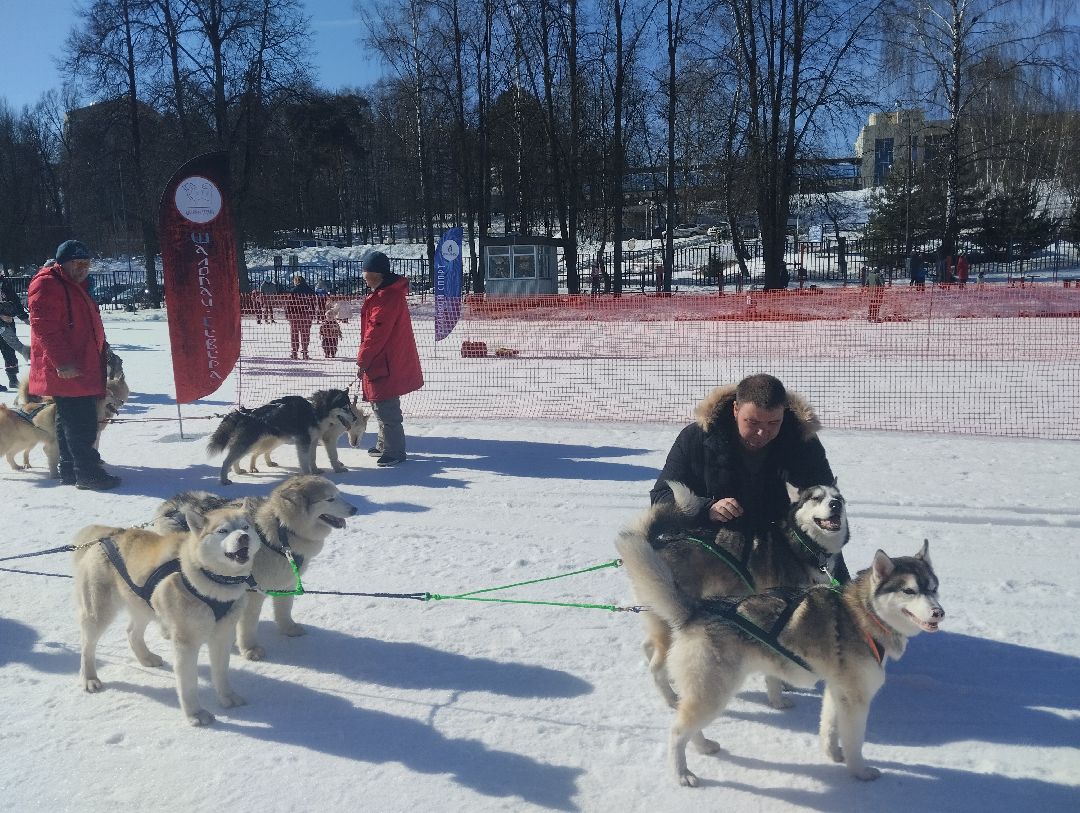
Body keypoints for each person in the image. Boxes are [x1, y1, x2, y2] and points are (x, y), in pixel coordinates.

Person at [650, 373, 849, 581]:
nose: (763, 432)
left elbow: (827, 505)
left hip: (782, 556)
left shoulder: (803, 442)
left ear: (785, 413)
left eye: (773, 423)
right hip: (714, 553)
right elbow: (660, 497)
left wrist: (839, 585)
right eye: (752, 422)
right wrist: (707, 508)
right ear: (735, 409)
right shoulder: (696, 438)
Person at [27, 240, 121, 490]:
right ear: (62, 263)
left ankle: (70, 468)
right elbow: (45, 328)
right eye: (77, 263)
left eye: (86, 264)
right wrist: (62, 362)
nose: (82, 269)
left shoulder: (73, 284)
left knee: (69, 418)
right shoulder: (47, 284)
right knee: (82, 422)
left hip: (80, 364)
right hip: (68, 367)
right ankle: (87, 473)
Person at [356, 250, 423, 467]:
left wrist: (363, 358)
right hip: (381, 359)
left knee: (387, 407)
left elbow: (376, 332)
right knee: (379, 404)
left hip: (385, 361)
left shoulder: (387, 297)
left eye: (366, 273)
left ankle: (395, 451)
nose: (364, 278)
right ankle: (385, 444)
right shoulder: (383, 293)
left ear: (377, 274)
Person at [0, 278, 29, 390]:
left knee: (9, 351)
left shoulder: (5, 283)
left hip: (8, 322)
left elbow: (15, 300)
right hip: (4, 319)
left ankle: (13, 379)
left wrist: (24, 317)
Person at [285, 273, 316, 359]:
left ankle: (294, 352)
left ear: (296, 281)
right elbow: (313, 304)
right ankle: (305, 352)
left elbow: (288, 303)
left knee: (294, 334)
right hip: (306, 314)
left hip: (294, 314)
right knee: (305, 334)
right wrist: (312, 313)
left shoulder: (293, 291)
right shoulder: (310, 291)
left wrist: (287, 313)